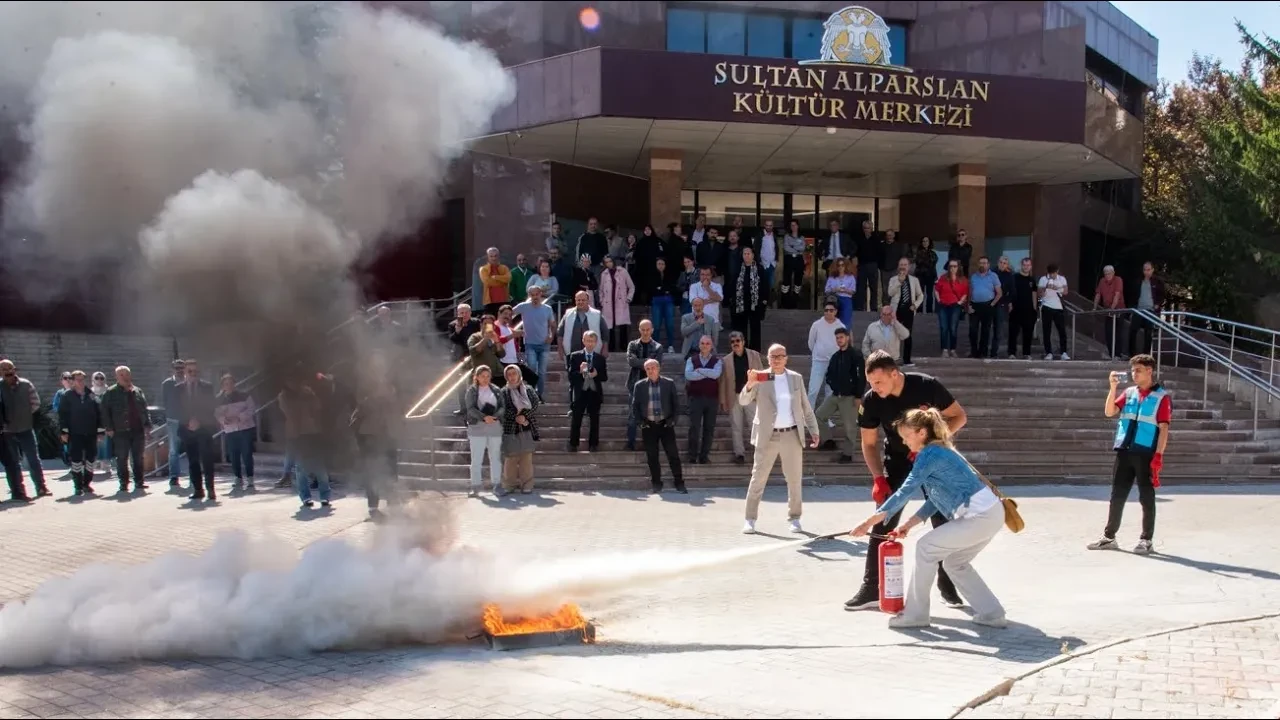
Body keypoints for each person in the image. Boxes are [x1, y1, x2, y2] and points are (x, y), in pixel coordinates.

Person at [850, 408, 1008, 629]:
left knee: (926, 547)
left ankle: (916, 615)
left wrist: (869, 522)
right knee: (955, 563)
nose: (905, 443)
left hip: (979, 516)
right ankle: (992, 614)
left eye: (907, 437)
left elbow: (904, 491)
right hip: (991, 514)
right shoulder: (940, 451)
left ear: (922, 433)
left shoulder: (929, 455)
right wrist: (908, 524)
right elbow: (935, 500)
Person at [848, 351, 967, 611]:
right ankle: (871, 588)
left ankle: (948, 586)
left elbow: (959, 416)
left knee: (942, 521)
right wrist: (878, 478)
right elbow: (868, 444)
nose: (874, 388)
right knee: (883, 519)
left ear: (894, 373)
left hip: (932, 459)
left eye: (878, 382)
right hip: (898, 461)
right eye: (870, 383)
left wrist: (932, 444)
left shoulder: (926, 386)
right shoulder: (871, 400)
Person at [1090, 353, 1170, 554]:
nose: (1134, 374)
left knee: (1146, 497)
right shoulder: (1129, 393)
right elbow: (1109, 412)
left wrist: (1158, 455)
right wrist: (1112, 387)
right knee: (1117, 495)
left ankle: (1146, 540)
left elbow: (1164, 429)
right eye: (1133, 370)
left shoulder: (1161, 397)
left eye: (1138, 370)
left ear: (1149, 371)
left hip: (1145, 453)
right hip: (1124, 451)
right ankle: (1109, 537)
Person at [741, 343, 820, 534]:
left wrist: (814, 430)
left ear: (786, 358)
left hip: (791, 435)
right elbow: (743, 400)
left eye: (780, 356)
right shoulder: (761, 377)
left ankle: (795, 518)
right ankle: (750, 519)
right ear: (767, 359)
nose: (776, 359)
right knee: (757, 479)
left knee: (794, 480)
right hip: (767, 436)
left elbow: (805, 407)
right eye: (772, 356)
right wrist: (750, 384)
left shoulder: (795, 378)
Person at [632, 359, 684, 493]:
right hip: (649, 426)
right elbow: (635, 406)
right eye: (648, 369)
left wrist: (672, 420)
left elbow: (675, 405)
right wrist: (640, 423)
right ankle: (656, 483)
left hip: (665, 425)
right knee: (652, 456)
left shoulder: (669, 383)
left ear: (658, 368)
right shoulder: (639, 385)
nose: (650, 371)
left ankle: (679, 482)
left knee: (673, 455)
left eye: (653, 368)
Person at [279, 374, 330, 509]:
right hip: (296, 435)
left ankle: (325, 496)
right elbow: (289, 412)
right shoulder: (284, 396)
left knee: (320, 468)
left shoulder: (308, 394)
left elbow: (318, 409)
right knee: (301, 468)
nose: (295, 385)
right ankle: (305, 497)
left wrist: (310, 395)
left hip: (313, 433)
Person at [0, 359, 49, 498]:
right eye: (4, 369)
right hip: (7, 431)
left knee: (33, 459)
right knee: (13, 462)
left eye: (10, 368)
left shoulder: (26, 384)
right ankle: (18, 491)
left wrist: (24, 414)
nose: (8, 372)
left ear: (14, 369)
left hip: (25, 428)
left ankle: (41, 487)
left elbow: (36, 403)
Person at [99, 365, 152, 495]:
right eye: (121, 375)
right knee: (122, 458)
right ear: (117, 377)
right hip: (120, 430)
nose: (125, 377)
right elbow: (104, 412)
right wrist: (108, 427)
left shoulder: (137, 391)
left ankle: (139, 481)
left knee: (138, 457)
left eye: (127, 374)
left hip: (137, 430)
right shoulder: (110, 392)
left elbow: (144, 409)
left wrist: (147, 425)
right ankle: (124, 483)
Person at [815, 328, 864, 463]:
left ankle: (847, 454)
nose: (839, 340)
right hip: (835, 395)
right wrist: (833, 385)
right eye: (837, 338)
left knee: (850, 427)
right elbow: (829, 374)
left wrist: (858, 396)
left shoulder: (856, 355)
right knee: (819, 415)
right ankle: (828, 441)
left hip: (850, 397)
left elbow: (861, 377)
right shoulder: (836, 356)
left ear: (847, 338)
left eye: (841, 337)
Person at [176, 360, 219, 501]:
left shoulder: (207, 387)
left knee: (207, 459)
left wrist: (199, 421)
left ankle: (210, 489)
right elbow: (174, 408)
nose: (193, 374)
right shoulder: (178, 388)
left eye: (196, 371)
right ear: (185, 373)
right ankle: (198, 489)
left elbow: (211, 407)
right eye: (190, 371)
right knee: (193, 460)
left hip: (204, 428)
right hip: (187, 430)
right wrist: (188, 422)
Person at [720, 330, 764, 465]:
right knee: (736, 426)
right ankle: (739, 454)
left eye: (738, 341)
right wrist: (723, 400)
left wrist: (762, 396)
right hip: (734, 396)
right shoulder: (725, 360)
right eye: (732, 342)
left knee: (754, 425)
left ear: (743, 342)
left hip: (751, 395)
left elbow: (762, 376)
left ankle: (759, 453)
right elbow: (722, 382)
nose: (735, 344)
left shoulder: (754, 355)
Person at [499, 363, 541, 495]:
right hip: (510, 429)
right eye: (509, 374)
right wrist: (516, 417)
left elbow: (535, 404)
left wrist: (524, 416)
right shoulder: (503, 392)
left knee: (526, 458)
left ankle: (527, 484)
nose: (512, 377)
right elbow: (502, 409)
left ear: (519, 374)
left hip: (526, 428)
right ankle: (508, 485)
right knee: (510, 458)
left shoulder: (528, 389)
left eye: (514, 373)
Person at [57, 370, 101, 496]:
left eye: (82, 379)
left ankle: (87, 483)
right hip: (74, 432)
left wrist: (100, 431)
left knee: (90, 458)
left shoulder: (90, 394)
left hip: (90, 432)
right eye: (78, 379)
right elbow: (62, 415)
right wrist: (64, 432)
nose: (80, 382)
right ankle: (78, 485)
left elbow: (98, 412)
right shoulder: (67, 395)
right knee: (76, 459)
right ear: (72, 381)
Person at [464, 365, 505, 497]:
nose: (485, 379)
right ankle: (475, 486)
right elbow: (470, 408)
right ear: (476, 377)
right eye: (482, 376)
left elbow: (503, 406)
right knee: (476, 459)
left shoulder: (497, 390)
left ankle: (497, 485)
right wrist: (483, 417)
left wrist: (496, 416)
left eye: (488, 376)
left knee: (495, 458)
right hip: (477, 427)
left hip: (494, 426)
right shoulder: (472, 391)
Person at [625, 319, 665, 451]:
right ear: (639, 330)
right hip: (635, 385)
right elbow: (631, 362)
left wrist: (641, 362)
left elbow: (656, 365)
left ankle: (649, 443)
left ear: (652, 330)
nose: (646, 332)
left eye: (648, 329)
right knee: (632, 416)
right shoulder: (633, 345)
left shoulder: (658, 347)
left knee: (651, 416)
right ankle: (630, 443)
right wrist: (648, 362)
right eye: (643, 329)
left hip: (652, 386)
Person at [214, 373, 257, 492]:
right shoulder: (218, 399)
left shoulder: (244, 395)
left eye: (231, 383)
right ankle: (238, 477)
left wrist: (240, 417)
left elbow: (251, 409)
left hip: (245, 428)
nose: (229, 386)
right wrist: (223, 419)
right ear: (222, 386)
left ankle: (250, 478)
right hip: (230, 430)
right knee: (233, 455)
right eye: (226, 384)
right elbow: (217, 414)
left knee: (247, 453)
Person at [567, 330, 608, 452]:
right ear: (583, 341)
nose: (590, 343)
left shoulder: (600, 358)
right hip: (580, 392)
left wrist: (597, 374)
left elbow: (605, 377)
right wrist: (579, 372)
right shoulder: (575, 356)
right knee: (576, 419)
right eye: (587, 341)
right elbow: (570, 376)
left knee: (594, 420)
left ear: (596, 343)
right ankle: (573, 444)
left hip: (594, 392)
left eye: (592, 341)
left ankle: (593, 444)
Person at [684, 335, 722, 465]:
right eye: (702, 343)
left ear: (711, 346)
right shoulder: (691, 359)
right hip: (696, 398)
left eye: (707, 343)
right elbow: (689, 375)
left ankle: (704, 456)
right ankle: (692, 456)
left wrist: (699, 370)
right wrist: (707, 373)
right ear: (699, 345)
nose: (705, 345)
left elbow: (716, 374)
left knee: (709, 428)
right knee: (694, 427)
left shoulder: (717, 361)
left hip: (712, 399)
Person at [512, 285, 556, 397]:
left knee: (541, 372)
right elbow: (507, 315)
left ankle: (539, 395)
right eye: (532, 295)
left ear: (540, 294)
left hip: (544, 344)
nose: (535, 297)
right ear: (529, 295)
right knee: (532, 369)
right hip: (530, 344)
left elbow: (553, 325)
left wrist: (551, 337)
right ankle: (531, 395)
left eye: (537, 294)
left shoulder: (547, 309)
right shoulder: (523, 306)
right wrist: (510, 330)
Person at [887, 257, 925, 366]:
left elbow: (920, 295)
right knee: (894, 335)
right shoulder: (893, 279)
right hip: (896, 310)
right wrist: (899, 281)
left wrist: (915, 305)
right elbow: (890, 293)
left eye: (905, 265)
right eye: (901, 265)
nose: (903, 267)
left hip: (909, 309)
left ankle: (907, 359)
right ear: (898, 267)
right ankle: (894, 359)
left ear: (908, 267)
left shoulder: (914, 280)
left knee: (908, 334)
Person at [731, 246, 767, 352]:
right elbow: (733, 285)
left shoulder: (759, 269)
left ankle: (755, 352)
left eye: (748, 253)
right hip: (741, 304)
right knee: (741, 329)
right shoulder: (738, 268)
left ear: (753, 255)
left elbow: (765, 286)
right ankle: (742, 350)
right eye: (744, 254)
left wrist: (764, 300)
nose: (746, 255)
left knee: (755, 328)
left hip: (755, 304)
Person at [599, 255, 635, 352]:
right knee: (609, 326)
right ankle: (611, 348)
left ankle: (624, 348)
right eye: (606, 262)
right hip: (608, 302)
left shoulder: (623, 272)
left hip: (620, 302)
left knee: (623, 326)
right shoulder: (604, 274)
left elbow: (631, 286)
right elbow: (601, 290)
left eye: (610, 261)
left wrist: (628, 298)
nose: (609, 264)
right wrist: (602, 301)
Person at [160, 359, 186, 488]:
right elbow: (165, 401)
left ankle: (194, 475)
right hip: (173, 419)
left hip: (188, 419)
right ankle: (174, 476)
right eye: (177, 368)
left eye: (182, 367)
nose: (179, 370)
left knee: (192, 447)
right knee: (173, 449)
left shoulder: (189, 382)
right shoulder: (167, 384)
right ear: (173, 369)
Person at [934, 260, 968, 358]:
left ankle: (953, 350)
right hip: (943, 305)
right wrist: (939, 300)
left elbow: (965, 292)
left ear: (958, 267)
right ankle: (944, 350)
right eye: (951, 266)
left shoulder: (962, 279)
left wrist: (960, 302)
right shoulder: (943, 277)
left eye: (955, 266)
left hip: (955, 306)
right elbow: (936, 289)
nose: (952, 268)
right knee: (944, 328)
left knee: (953, 328)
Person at [1039, 263, 1070, 360]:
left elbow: (1065, 292)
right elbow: (1040, 294)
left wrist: (1057, 288)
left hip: (1058, 307)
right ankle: (1048, 352)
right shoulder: (1043, 279)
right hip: (1047, 306)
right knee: (1047, 331)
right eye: (1051, 273)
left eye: (1054, 273)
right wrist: (1046, 287)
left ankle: (1063, 352)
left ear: (1057, 271)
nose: (1052, 275)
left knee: (1062, 331)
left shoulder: (1062, 279)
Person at [824, 257, 857, 328]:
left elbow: (853, 291)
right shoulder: (832, 277)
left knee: (846, 322)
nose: (840, 267)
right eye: (838, 265)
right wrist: (835, 289)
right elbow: (826, 290)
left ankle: (845, 336)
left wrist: (845, 290)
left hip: (846, 300)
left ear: (845, 266)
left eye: (842, 265)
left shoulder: (850, 277)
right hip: (835, 300)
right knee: (833, 321)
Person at [914, 237, 939, 314]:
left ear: (929, 243)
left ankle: (929, 310)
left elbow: (933, 264)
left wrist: (935, 276)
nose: (925, 243)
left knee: (929, 294)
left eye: (926, 241)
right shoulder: (918, 253)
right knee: (920, 294)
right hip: (920, 276)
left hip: (930, 276)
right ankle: (919, 310)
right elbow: (919, 262)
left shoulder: (933, 253)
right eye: (923, 241)